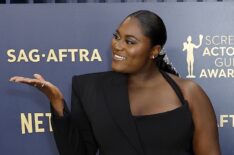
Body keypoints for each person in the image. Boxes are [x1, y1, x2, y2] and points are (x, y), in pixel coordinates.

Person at [10, 10, 221, 155]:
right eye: (116, 36)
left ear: (154, 51)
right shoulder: (89, 89)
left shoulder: (189, 93)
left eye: (130, 42)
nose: (117, 46)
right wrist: (56, 102)